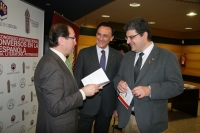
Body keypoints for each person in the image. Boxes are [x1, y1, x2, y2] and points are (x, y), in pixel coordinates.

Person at [113, 17, 184, 133]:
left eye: (131, 37)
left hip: (151, 122)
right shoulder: (127, 57)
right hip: (127, 118)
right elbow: (117, 77)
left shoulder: (167, 57)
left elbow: (177, 86)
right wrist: (118, 83)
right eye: (127, 37)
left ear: (144, 35)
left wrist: (150, 90)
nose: (127, 42)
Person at [34, 22, 99, 133]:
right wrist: (83, 93)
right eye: (73, 38)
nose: (75, 42)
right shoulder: (51, 65)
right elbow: (55, 107)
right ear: (61, 40)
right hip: (57, 127)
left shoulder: (56, 61)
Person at [74, 22, 123, 133]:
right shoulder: (84, 53)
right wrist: (76, 102)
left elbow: (118, 82)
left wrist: (117, 107)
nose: (101, 38)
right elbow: (77, 79)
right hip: (86, 105)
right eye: (99, 34)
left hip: (107, 106)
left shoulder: (118, 57)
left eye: (105, 35)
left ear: (112, 38)